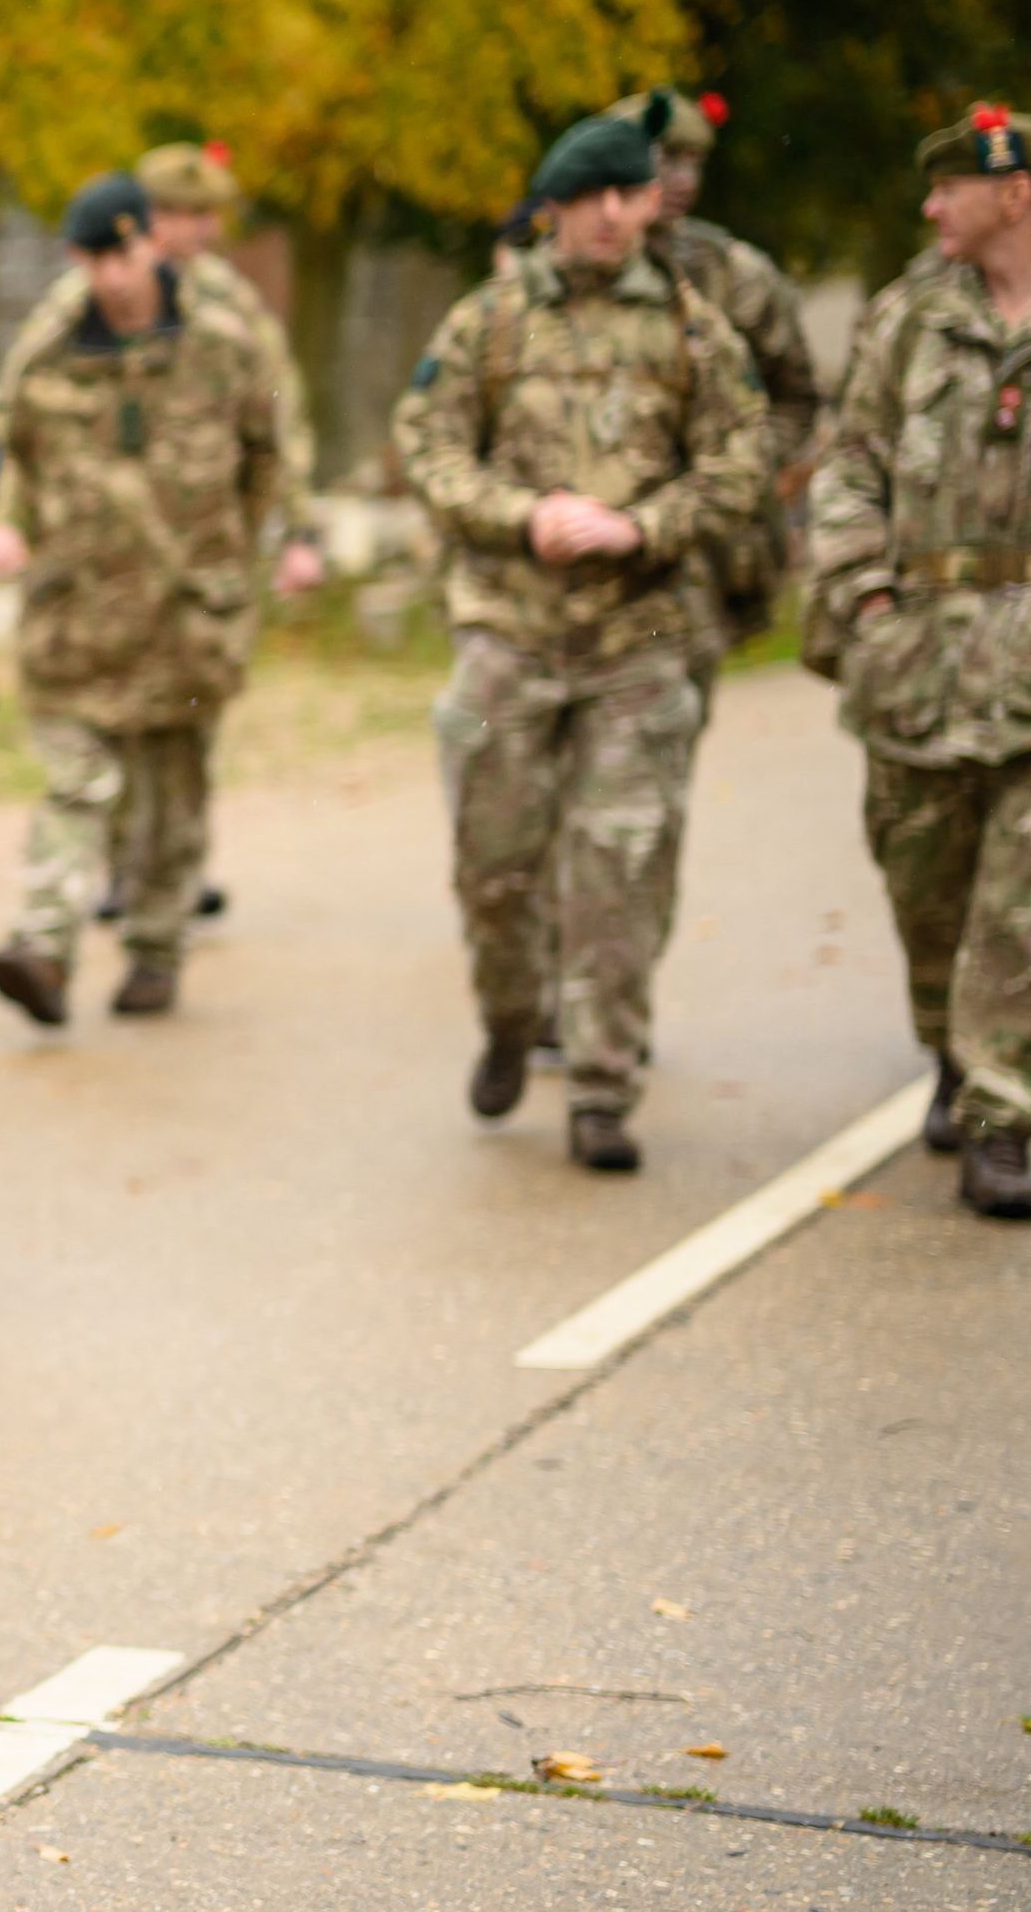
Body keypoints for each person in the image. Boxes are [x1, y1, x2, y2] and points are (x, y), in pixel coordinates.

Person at [394, 93, 769, 1174]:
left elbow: (742, 458)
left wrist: (639, 525)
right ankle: (512, 1019)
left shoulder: (694, 330)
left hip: (639, 638)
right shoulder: (489, 322)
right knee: (494, 867)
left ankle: (603, 1085)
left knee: (619, 867)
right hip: (507, 635)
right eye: (593, 196)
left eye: (631, 194)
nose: (612, 215)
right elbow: (426, 445)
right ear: (553, 208)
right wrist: (522, 516)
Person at [0, 174, 288, 1023]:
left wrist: (236, 549)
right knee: (75, 782)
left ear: (150, 242)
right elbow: (10, 454)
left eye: (121, 252)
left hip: (186, 612)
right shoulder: (48, 347)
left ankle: (156, 946)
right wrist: (9, 527)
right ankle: (43, 945)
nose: (109, 275)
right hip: (77, 609)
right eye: (91, 257)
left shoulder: (223, 342)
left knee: (170, 792)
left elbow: (269, 452)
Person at [801, 101, 1031, 1218]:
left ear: (1014, 193)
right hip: (919, 652)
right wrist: (865, 594)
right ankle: (948, 1044)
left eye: (950, 187)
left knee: (1021, 895)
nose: (931, 206)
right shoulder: (905, 320)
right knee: (923, 884)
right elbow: (847, 462)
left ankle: (1004, 1110)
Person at [620, 86, 824, 673]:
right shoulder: (564, 272)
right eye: (668, 159)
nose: (683, 178)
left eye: (695, 162)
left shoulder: (733, 273)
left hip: (697, 554)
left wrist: (746, 467)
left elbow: (796, 394)